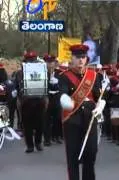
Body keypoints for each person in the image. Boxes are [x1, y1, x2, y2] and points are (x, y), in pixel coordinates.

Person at [59, 44, 107, 180]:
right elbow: (62, 95)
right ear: (72, 58)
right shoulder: (64, 76)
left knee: (90, 153)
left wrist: (100, 106)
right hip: (73, 119)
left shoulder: (93, 76)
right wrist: (66, 101)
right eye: (77, 57)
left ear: (86, 59)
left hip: (90, 119)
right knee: (73, 156)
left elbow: (100, 97)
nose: (81, 60)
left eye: (83, 57)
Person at [15, 51, 48, 153]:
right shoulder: (20, 73)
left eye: (33, 60)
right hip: (26, 102)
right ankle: (30, 145)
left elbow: (45, 84)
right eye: (30, 61)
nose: (32, 62)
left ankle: (38, 143)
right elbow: (17, 87)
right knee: (27, 125)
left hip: (39, 100)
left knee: (40, 124)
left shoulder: (42, 71)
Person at [43, 54, 62, 146]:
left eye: (52, 62)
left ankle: (56, 136)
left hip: (57, 98)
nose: (50, 64)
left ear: (55, 63)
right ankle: (47, 139)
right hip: (47, 97)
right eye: (48, 62)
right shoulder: (43, 73)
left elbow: (63, 86)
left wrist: (57, 85)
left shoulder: (60, 73)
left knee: (57, 118)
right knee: (46, 119)